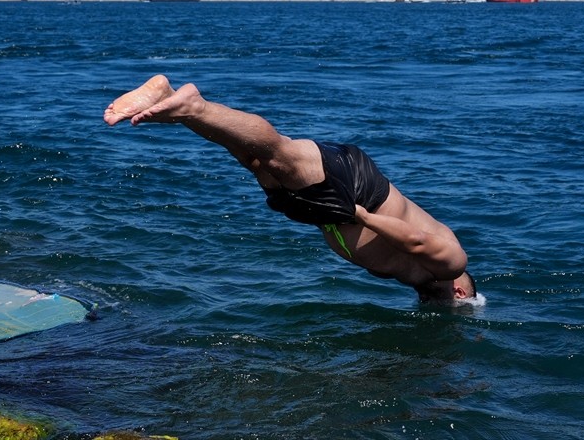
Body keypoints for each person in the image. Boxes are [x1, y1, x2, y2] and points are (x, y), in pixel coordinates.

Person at [103, 75, 475, 303]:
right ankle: (193, 105)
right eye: (457, 306)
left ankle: (172, 101)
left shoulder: (418, 277)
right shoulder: (453, 265)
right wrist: (360, 214)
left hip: (329, 214)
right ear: (460, 292)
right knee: (278, 153)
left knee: (252, 158)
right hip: (359, 194)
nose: (433, 306)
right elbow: (416, 241)